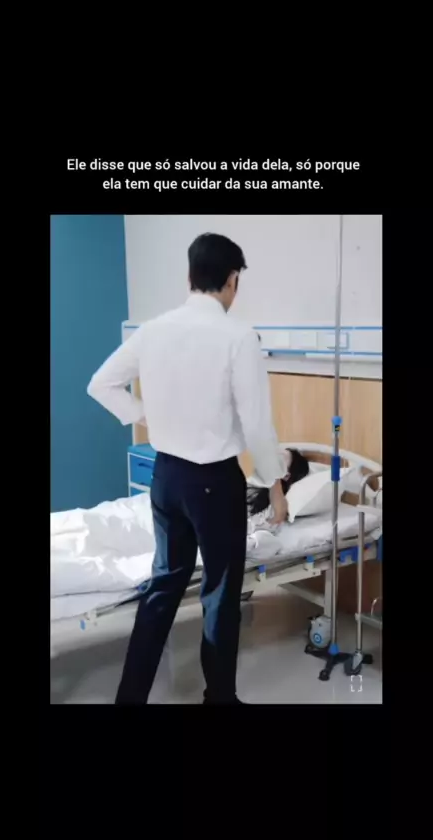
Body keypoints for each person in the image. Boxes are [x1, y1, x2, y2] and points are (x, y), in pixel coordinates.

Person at [87, 232, 288, 705]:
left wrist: (146, 416)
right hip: (214, 482)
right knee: (219, 592)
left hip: (166, 479)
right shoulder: (238, 336)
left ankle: (129, 698)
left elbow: (101, 384)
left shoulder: (153, 330)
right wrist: (275, 487)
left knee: (164, 587)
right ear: (233, 280)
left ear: (190, 276)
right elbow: (257, 424)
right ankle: (219, 699)